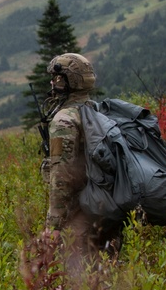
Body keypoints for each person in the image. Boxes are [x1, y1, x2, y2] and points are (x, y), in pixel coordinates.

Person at [40, 53, 123, 256]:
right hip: (106, 211)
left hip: (78, 217)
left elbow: (62, 176)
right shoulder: (98, 112)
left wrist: (54, 226)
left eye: (55, 78)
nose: (52, 82)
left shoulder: (64, 121)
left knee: (76, 281)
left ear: (64, 81)